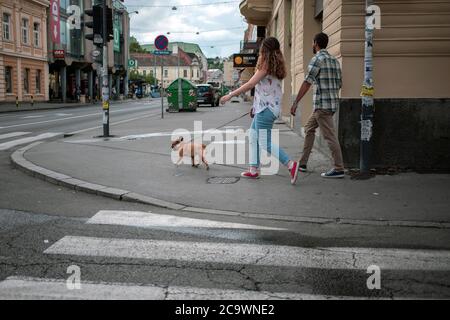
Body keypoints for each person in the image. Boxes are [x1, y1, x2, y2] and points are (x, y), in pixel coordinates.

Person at [220, 37, 299, 185]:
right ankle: (253, 169)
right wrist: (254, 107)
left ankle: (290, 164)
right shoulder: (274, 66)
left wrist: (230, 95)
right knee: (253, 136)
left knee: (265, 142)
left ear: (265, 50)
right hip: (266, 108)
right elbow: (265, 90)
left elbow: (250, 84)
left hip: (266, 110)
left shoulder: (266, 65)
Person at [290, 32, 345, 179]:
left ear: (315, 43)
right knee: (309, 128)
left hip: (322, 106)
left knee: (330, 137)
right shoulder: (334, 61)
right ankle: (302, 163)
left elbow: (307, 82)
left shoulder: (317, 59)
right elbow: (339, 84)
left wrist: (296, 102)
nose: (312, 45)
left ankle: (339, 168)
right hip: (330, 104)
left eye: (312, 43)